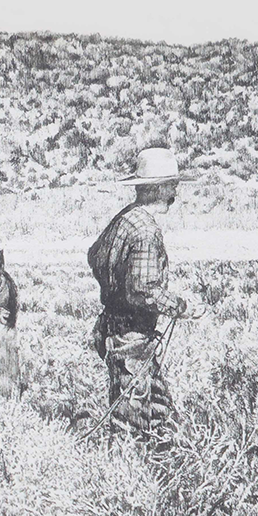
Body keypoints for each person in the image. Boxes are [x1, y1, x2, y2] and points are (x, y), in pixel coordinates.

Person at [88, 148, 205, 437]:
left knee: (159, 415)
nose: (175, 191)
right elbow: (142, 290)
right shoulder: (146, 231)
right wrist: (181, 306)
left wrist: (113, 291)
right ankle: (128, 473)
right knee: (135, 423)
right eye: (171, 185)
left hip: (116, 331)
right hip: (132, 339)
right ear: (158, 188)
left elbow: (94, 256)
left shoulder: (126, 219)